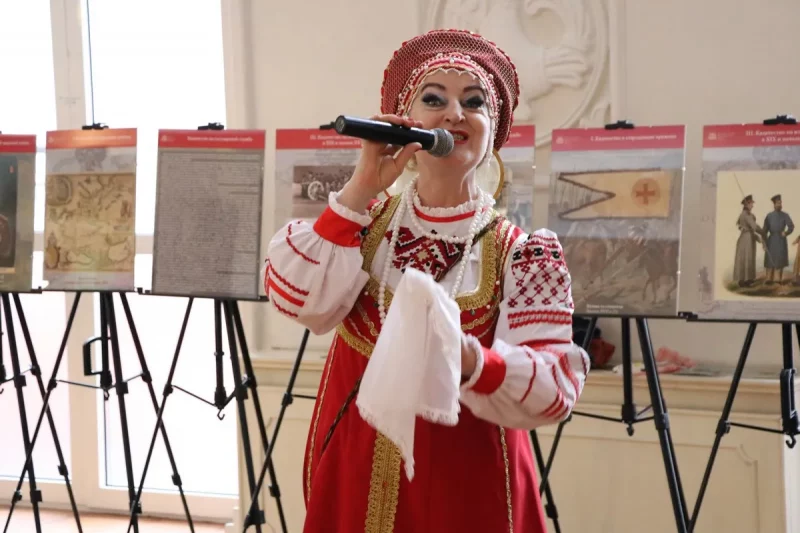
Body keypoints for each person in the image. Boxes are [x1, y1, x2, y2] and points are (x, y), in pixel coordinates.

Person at [264, 29, 590, 533]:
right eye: (434, 99)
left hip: (468, 490)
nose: (454, 114)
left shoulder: (522, 254)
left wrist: (468, 359)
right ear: (404, 124)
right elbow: (297, 299)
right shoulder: (361, 225)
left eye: (474, 102)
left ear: (493, 132)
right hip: (354, 474)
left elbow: (552, 388)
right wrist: (361, 186)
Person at [763, 193, 794, 283]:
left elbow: (791, 226)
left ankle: (777, 279)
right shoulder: (769, 216)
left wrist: (786, 232)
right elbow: (764, 230)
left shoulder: (785, 215)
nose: (779, 205)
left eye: (780, 203)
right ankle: (769, 278)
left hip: (781, 240)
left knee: (780, 259)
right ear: (774, 204)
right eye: (778, 203)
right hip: (771, 240)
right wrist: (764, 242)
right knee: (769, 259)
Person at [732, 194, 762, 287]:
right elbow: (754, 227)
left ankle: (748, 279)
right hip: (747, 239)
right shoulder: (746, 215)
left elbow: (740, 226)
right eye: (751, 203)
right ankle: (743, 281)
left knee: (748, 258)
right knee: (746, 257)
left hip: (747, 237)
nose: (752, 205)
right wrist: (762, 232)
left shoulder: (746, 214)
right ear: (747, 204)